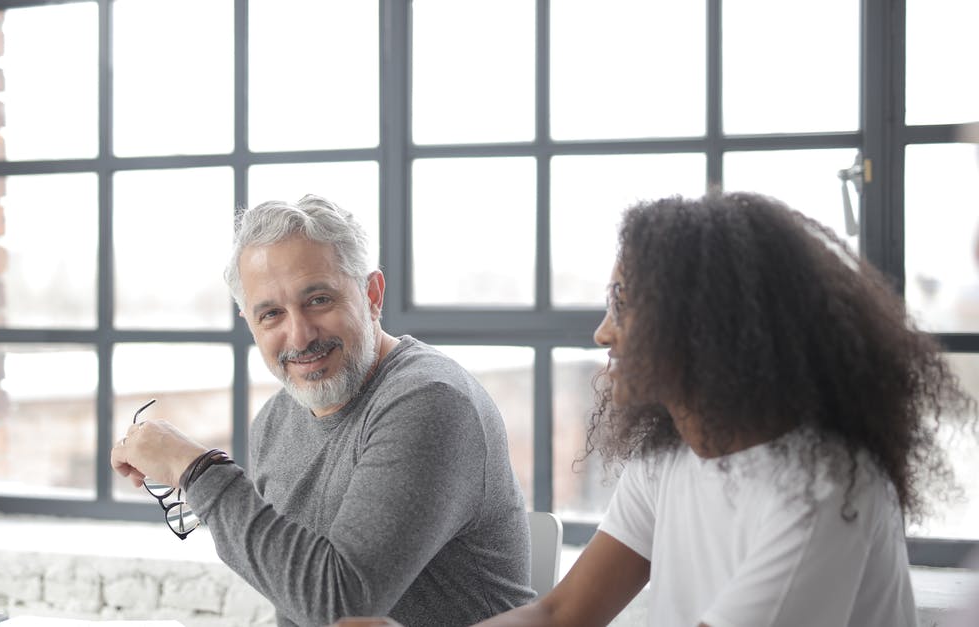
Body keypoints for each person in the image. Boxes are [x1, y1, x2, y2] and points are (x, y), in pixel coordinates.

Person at [337, 191, 975, 627]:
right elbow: (563, 616)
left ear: (701, 325)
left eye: (621, 302)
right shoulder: (671, 452)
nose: (602, 333)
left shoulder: (827, 489)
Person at [111, 194, 535, 627]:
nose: (299, 337)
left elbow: (342, 609)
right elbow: (296, 605)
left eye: (318, 300)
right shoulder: (275, 422)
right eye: (272, 314)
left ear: (372, 294)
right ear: (250, 324)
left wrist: (198, 470)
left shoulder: (432, 402)